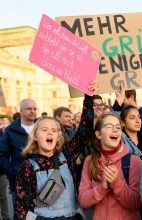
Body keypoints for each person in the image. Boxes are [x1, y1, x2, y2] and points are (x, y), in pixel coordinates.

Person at [15, 80, 97, 219]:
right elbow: (21, 208)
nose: (50, 133)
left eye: (54, 130)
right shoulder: (28, 167)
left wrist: (89, 97)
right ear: (35, 135)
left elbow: (85, 131)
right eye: (44, 130)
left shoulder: (66, 155)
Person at [78, 113, 142, 220]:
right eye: (109, 126)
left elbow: (137, 203)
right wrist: (102, 188)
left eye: (118, 127)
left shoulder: (132, 160)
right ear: (98, 134)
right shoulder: (89, 161)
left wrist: (116, 183)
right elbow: (83, 200)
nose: (115, 130)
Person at [0, 98, 37, 208]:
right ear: (20, 111)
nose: (33, 111)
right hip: (19, 184)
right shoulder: (10, 130)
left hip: (42, 182)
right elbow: (2, 154)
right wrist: (12, 172)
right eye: (29, 109)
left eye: (35, 109)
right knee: (22, 215)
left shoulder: (41, 127)